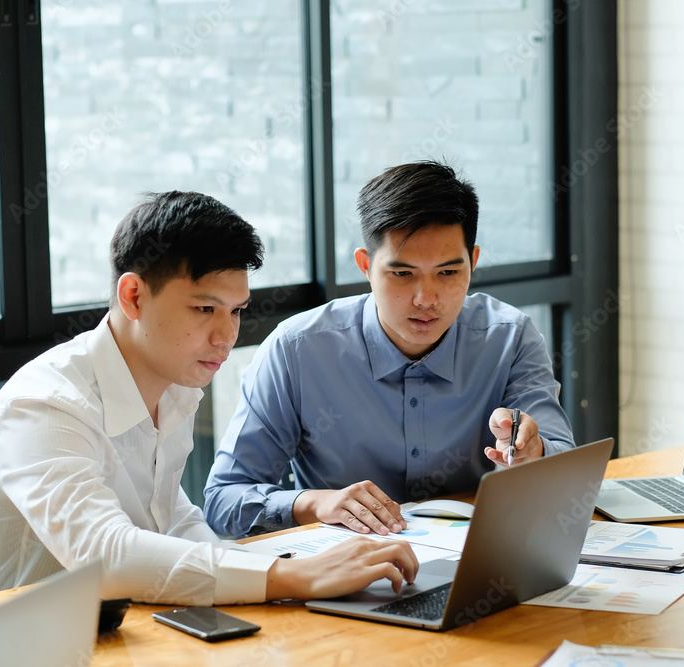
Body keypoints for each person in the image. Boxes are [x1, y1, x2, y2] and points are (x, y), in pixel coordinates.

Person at [0, 191, 417, 606]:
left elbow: (171, 518)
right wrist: (291, 576)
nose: (226, 336)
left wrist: (283, 568)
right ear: (133, 296)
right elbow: (103, 556)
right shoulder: (44, 405)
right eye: (204, 309)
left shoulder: (173, 384)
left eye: (236, 311)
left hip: (121, 635)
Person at [203, 161, 575, 540]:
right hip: (346, 573)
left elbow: (566, 466)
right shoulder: (297, 350)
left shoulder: (510, 339)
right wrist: (316, 504)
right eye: (402, 273)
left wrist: (536, 451)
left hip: (478, 563)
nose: (426, 299)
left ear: (473, 263)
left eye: (448, 273)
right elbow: (224, 500)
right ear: (366, 266)